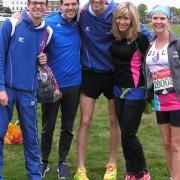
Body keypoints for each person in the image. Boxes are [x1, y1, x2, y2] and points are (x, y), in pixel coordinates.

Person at [74, 0, 153, 180]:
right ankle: (81, 168)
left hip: (116, 78)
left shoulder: (118, 12)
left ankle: (115, 164)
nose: (122, 21)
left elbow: (146, 35)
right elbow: (62, 14)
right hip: (91, 74)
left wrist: (167, 38)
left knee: (117, 124)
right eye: (120, 19)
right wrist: (19, 15)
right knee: (85, 121)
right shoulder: (82, 11)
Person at [0, 0, 52, 179]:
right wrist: (0, 88)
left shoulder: (48, 31)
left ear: (46, 6)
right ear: (28, 4)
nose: (38, 6)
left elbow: (41, 56)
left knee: (31, 138)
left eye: (42, 3)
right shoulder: (12, 23)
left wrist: (43, 59)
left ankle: (34, 176)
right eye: (34, 2)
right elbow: (0, 56)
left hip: (29, 91)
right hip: (6, 90)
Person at [40, 0, 82, 179]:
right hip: (52, 84)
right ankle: (43, 161)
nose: (71, 7)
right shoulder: (48, 23)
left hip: (74, 84)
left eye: (74, 4)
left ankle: (62, 162)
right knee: (47, 126)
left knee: (68, 126)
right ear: (61, 5)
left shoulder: (81, 24)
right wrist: (40, 57)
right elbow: (38, 45)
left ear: (78, 5)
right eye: (67, 4)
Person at [110, 2, 151, 180]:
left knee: (128, 134)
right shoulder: (116, 37)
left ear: (132, 19)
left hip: (135, 91)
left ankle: (143, 171)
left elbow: (152, 60)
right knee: (125, 133)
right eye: (119, 17)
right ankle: (131, 172)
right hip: (118, 91)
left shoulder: (141, 38)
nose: (122, 21)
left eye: (126, 18)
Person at [146, 5, 180, 180]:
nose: (158, 21)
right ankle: (173, 176)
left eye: (162, 18)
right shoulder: (150, 44)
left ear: (168, 20)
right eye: (155, 18)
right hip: (160, 101)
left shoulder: (177, 43)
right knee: (166, 144)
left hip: (177, 101)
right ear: (151, 20)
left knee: (176, 145)